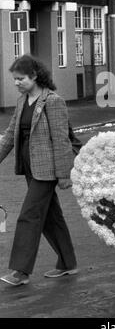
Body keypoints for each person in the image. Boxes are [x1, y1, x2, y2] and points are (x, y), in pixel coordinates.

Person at [0, 55, 78, 286]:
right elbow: (9, 136)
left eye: (20, 78)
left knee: (29, 215)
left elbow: (61, 139)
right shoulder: (23, 100)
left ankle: (20, 271)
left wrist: (64, 174)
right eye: (14, 79)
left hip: (47, 170)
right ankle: (68, 263)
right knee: (51, 217)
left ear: (35, 76)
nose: (16, 83)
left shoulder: (53, 101)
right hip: (29, 168)